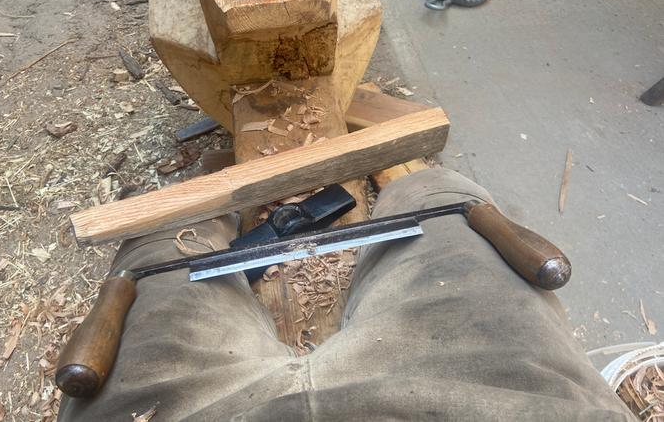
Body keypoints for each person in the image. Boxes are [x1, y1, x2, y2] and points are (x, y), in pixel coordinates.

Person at [58, 168, 636, 421]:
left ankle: (200, 202)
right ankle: (416, 185)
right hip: (508, 402)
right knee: (437, 203)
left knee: (164, 250)